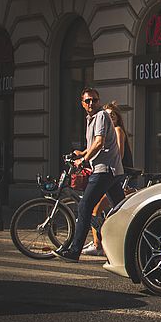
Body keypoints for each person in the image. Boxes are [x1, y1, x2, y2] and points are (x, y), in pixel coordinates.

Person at [54, 87, 124, 262]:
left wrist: (84, 160)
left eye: (94, 100)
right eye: (88, 101)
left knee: (84, 206)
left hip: (104, 170)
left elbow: (99, 143)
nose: (91, 103)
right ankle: (129, 247)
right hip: (112, 171)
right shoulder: (91, 119)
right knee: (121, 212)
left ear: (99, 101)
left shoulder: (100, 116)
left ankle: (74, 251)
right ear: (82, 103)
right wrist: (82, 152)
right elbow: (97, 143)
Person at [83, 101, 132, 256]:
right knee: (116, 208)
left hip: (116, 174)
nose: (109, 118)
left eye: (112, 115)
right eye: (107, 116)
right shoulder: (106, 131)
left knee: (95, 209)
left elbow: (118, 154)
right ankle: (103, 242)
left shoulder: (117, 131)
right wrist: (83, 154)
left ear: (117, 118)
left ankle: (98, 245)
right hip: (114, 173)